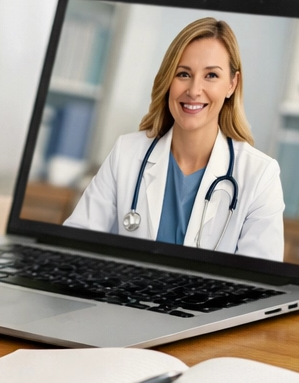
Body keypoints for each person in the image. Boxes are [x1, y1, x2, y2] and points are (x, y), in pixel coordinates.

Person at [64, 18, 284, 260]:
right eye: (183, 74)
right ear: (168, 79)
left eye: (211, 75)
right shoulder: (126, 153)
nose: (193, 90)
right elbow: (74, 246)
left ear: (232, 84)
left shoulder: (261, 176)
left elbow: (259, 285)